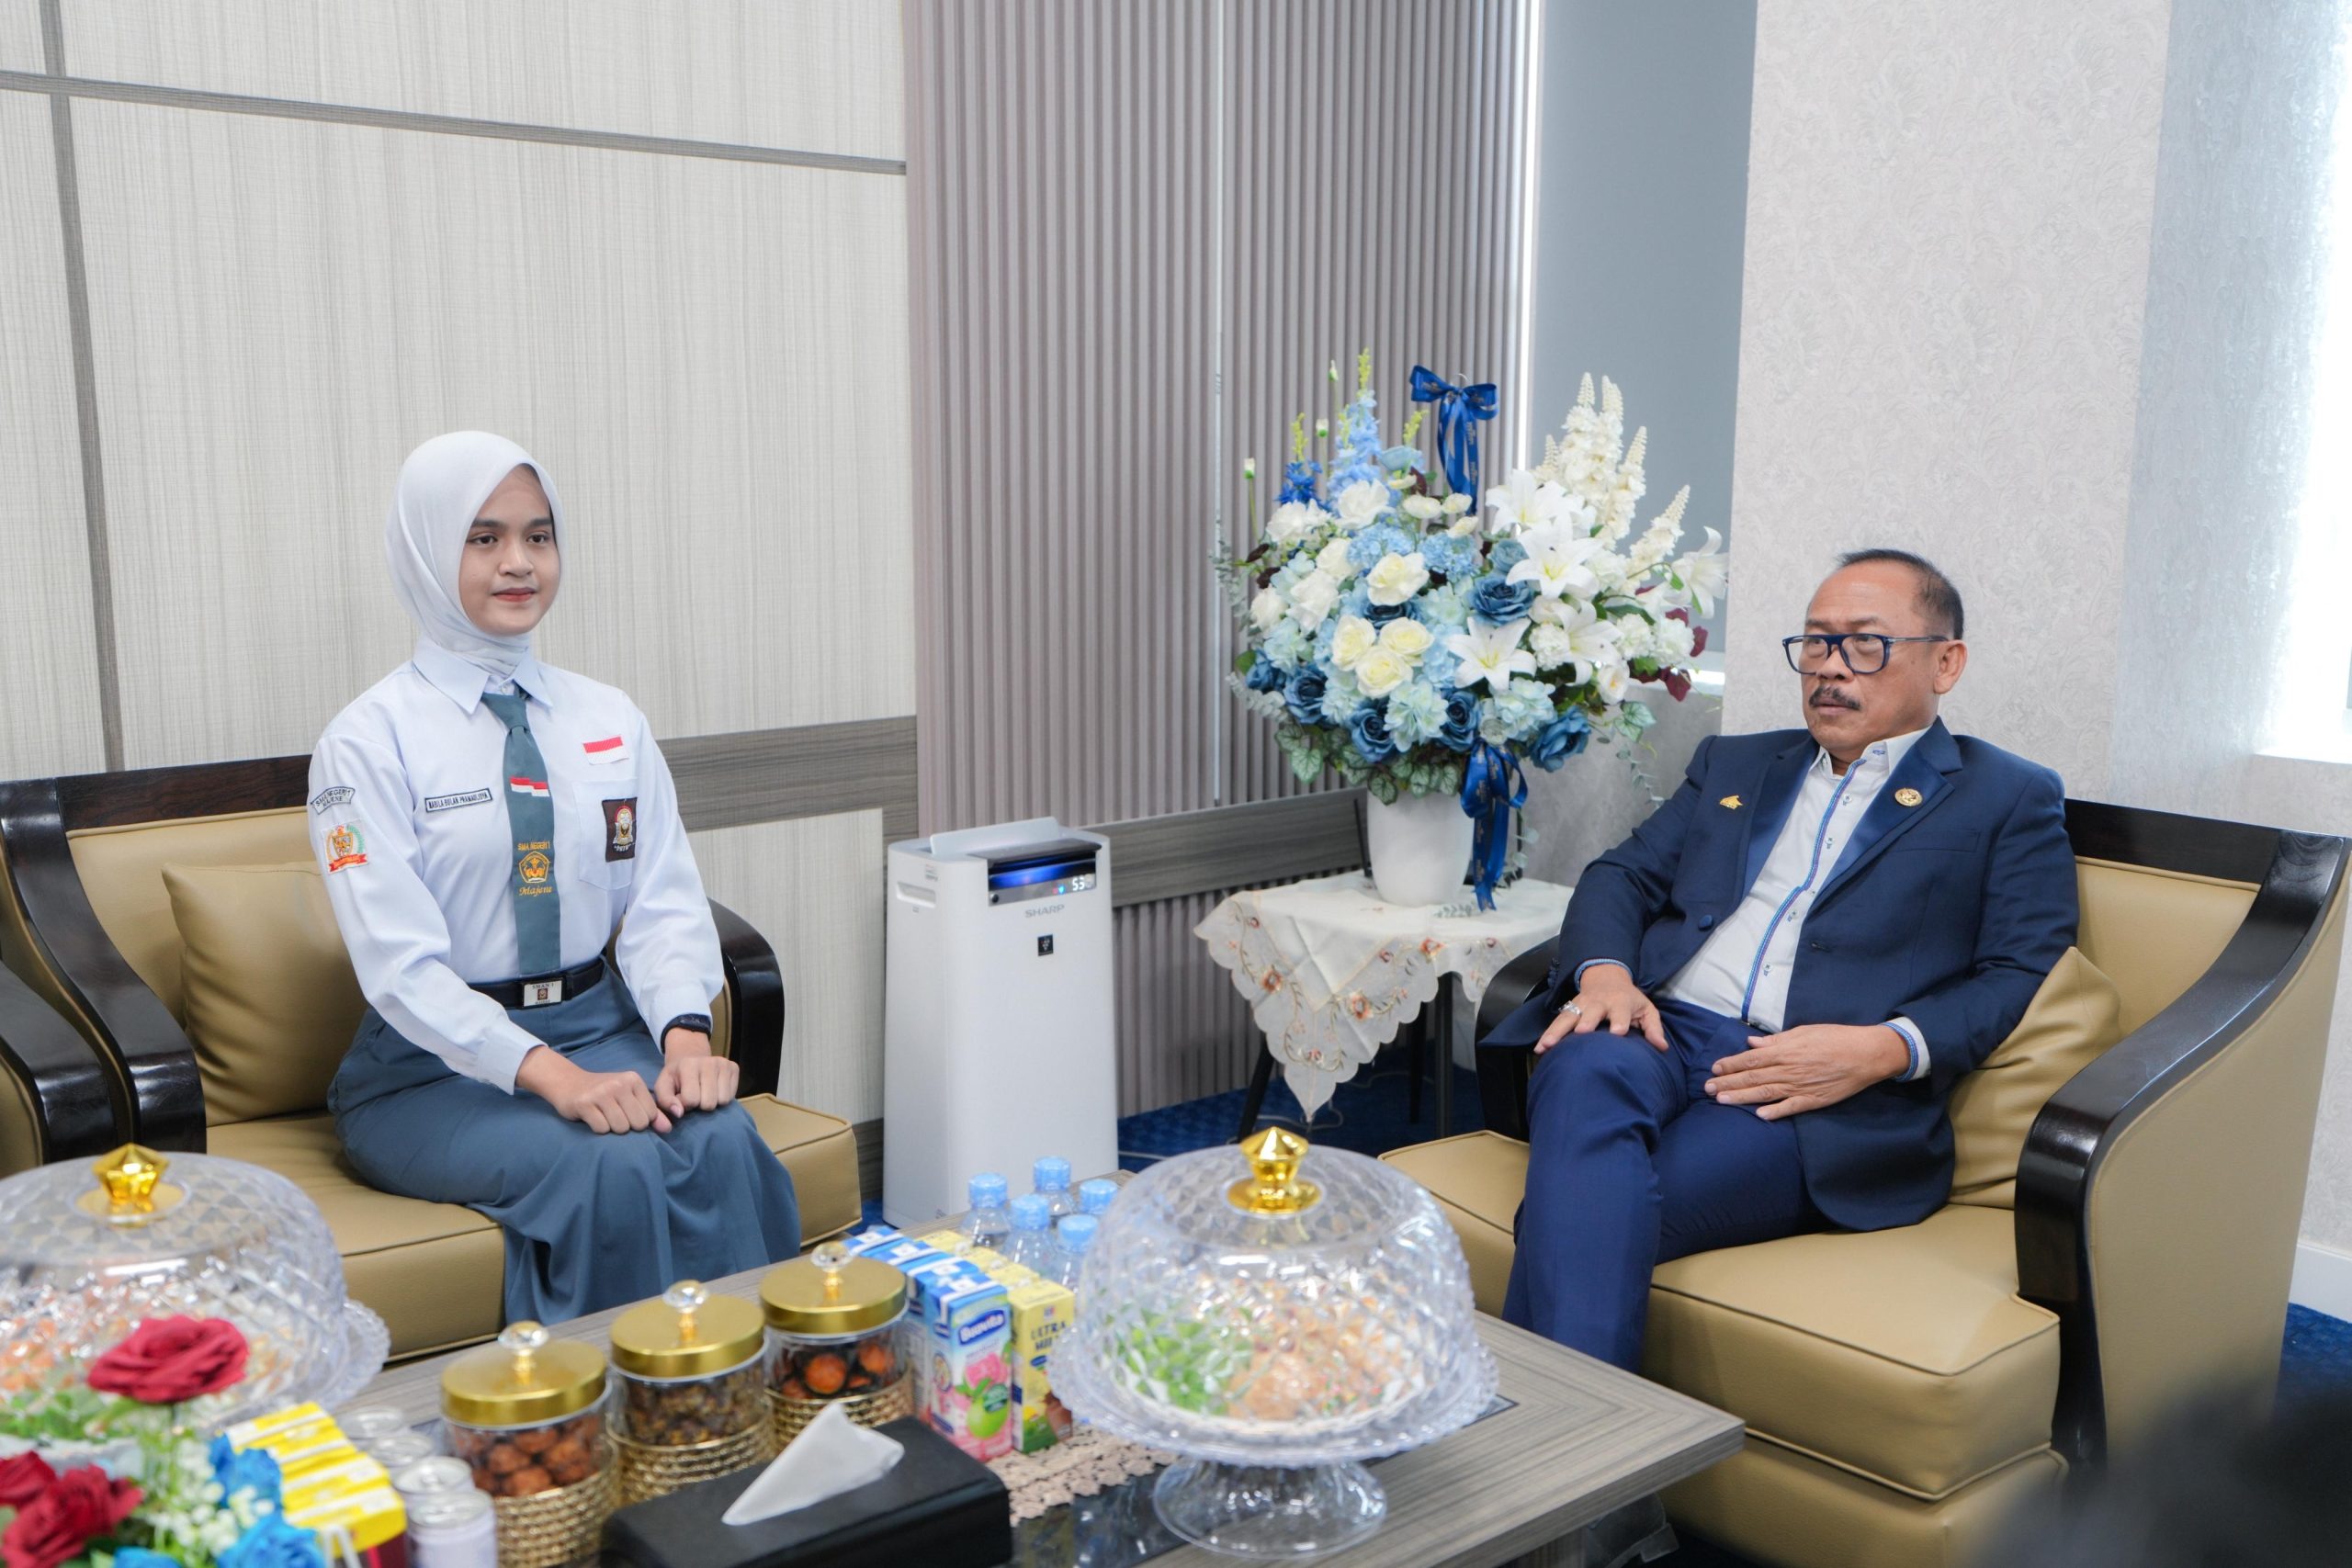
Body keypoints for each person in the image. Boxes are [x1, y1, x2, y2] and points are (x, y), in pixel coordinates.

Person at [1481, 548, 2077, 1568]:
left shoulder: (2005, 797)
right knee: (1583, 1063)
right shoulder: (1737, 763)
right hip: (1661, 1025)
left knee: (1581, 1207)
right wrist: (1605, 975)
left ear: (1946, 663)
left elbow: (2018, 968)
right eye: (1816, 643)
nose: (1829, 668)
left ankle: (1549, 1501)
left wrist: (1885, 1048)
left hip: (1802, 1086)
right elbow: (1621, 875)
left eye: (1865, 645)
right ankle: (1589, 1515)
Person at [309, 432, 800, 1324]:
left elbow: (662, 897)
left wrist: (685, 1035)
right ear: (425, 550)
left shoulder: (609, 718)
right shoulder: (368, 741)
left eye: (539, 536)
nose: (519, 563)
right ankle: (613, 1405)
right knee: (612, 1163)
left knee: (725, 1139)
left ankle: (746, 1390)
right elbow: (399, 969)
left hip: (600, 1028)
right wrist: (553, 1077)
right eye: (484, 537)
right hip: (428, 1072)